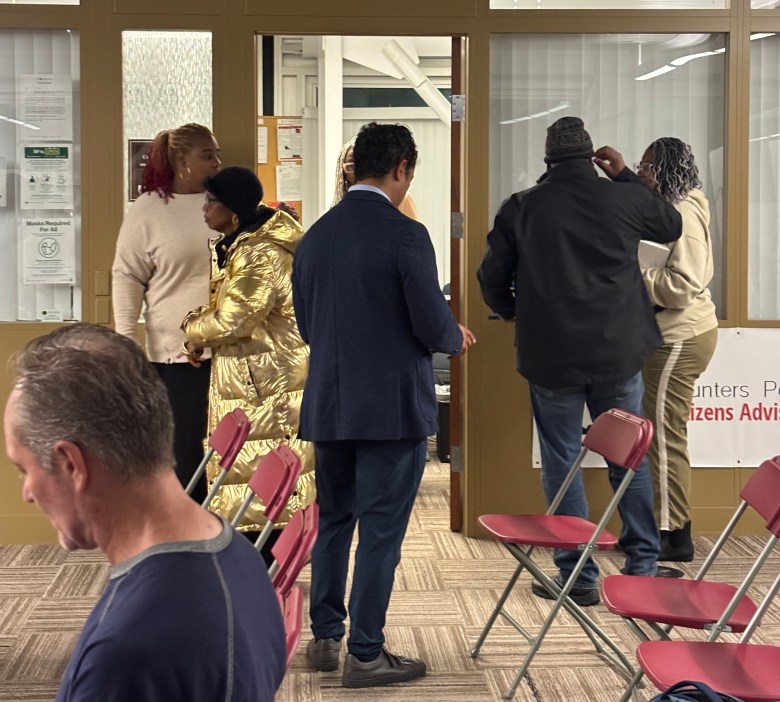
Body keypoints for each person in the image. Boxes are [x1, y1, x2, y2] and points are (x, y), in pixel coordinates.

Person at [4, 323, 286, 702]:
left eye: (25, 470)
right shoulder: (240, 555)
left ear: (72, 465)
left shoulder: (122, 656)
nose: (27, 493)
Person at [293, 122, 475, 688]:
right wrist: (453, 336)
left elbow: (307, 325)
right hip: (390, 412)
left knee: (333, 521)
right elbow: (431, 322)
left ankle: (326, 639)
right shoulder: (406, 235)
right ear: (401, 168)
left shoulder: (315, 236)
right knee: (380, 532)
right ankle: (366, 653)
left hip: (330, 404)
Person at [478, 116, 683, 607]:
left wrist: (513, 311)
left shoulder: (522, 207)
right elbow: (670, 225)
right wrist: (625, 176)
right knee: (628, 458)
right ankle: (643, 564)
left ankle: (578, 576)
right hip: (618, 353)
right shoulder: (622, 197)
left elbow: (491, 277)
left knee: (561, 461)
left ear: (547, 160)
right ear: (592, 157)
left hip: (552, 357)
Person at [181, 166, 314, 560]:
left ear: (234, 212)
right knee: (252, 476)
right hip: (254, 375)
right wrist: (201, 335)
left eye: (211, 201)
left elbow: (234, 320)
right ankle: (258, 567)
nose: (204, 208)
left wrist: (191, 328)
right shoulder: (239, 244)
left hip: (267, 381)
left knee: (265, 478)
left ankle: (266, 568)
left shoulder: (259, 253)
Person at [112, 123, 221, 503]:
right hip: (177, 358)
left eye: (217, 154)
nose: (217, 162)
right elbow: (127, 277)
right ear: (181, 160)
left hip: (234, 353)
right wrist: (127, 342)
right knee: (186, 458)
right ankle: (185, 532)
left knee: (229, 459)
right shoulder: (149, 210)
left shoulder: (225, 203)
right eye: (208, 155)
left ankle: (226, 533)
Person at [633, 137, 718, 562]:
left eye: (649, 166)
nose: (642, 172)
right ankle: (665, 525)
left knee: (665, 437)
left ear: (668, 171)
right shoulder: (668, 206)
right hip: (669, 335)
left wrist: (633, 274)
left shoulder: (682, 212)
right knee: (662, 434)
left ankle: (674, 535)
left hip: (679, 337)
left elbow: (683, 286)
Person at [333, 136, 420, 219]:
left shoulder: (402, 198)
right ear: (342, 171)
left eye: (365, 164)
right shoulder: (340, 205)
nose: (360, 170)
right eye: (352, 166)